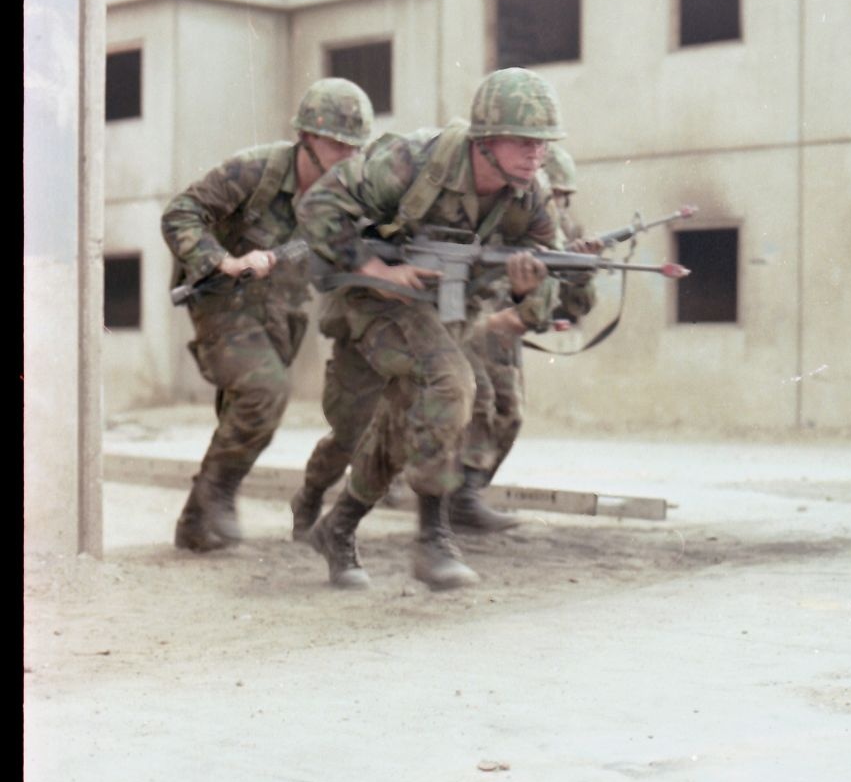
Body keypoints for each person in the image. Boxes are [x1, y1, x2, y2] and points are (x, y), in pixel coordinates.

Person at [295, 68, 565, 590]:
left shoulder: (531, 195)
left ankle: (340, 524)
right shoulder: (410, 162)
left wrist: (528, 290)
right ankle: (433, 538)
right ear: (486, 140)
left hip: (443, 310)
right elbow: (318, 207)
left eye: (544, 145)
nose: (538, 155)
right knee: (450, 383)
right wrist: (378, 271)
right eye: (526, 142)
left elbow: (547, 270)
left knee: (405, 416)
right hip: (375, 299)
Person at [163, 78, 373, 552]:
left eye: (353, 148)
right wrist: (224, 261)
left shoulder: (347, 194)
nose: (345, 156)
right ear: (307, 138)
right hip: (222, 297)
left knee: (244, 408)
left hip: (280, 310)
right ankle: (218, 495)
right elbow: (180, 213)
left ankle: (196, 523)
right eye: (336, 144)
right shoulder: (254, 170)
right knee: (264, 391)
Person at [447, 144, 602, 534]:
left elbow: (574, 307)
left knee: (510, 415)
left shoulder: (562, 235)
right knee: (477, 407)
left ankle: (468, 494)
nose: (561, 206)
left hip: (505, 341)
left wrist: (582, 270)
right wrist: (492, 318)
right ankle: (459, 498)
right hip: (476, 329)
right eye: (555, 195)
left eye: (566, 198)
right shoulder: (507, 224)